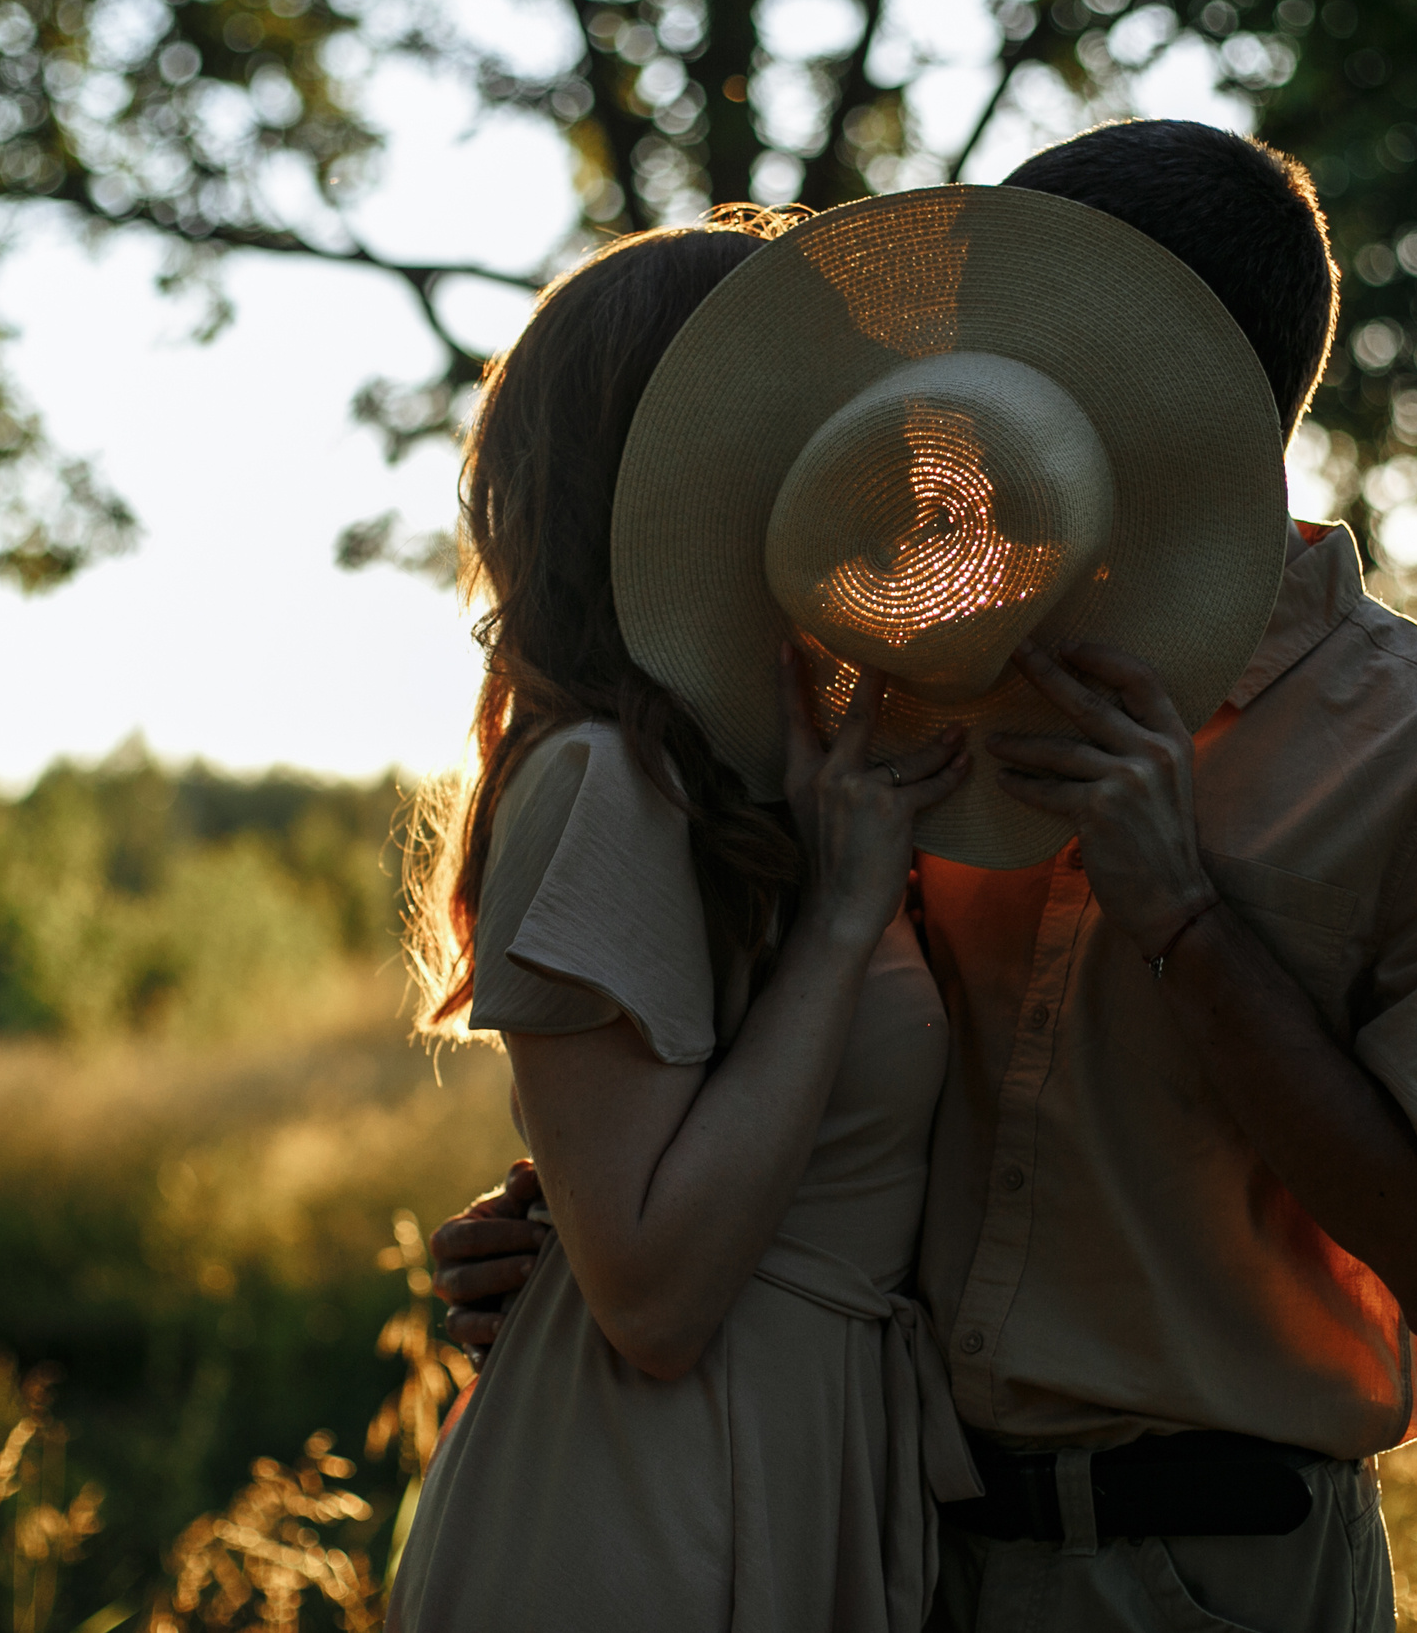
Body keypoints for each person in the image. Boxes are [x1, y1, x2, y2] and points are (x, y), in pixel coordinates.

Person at [432, 120, 1417, 1633]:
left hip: (1215, 1570)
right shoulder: (882, 690)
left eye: (1010, 313)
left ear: (1167, 366)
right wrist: (570, 1223)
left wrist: (1181, 915)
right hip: (892, 1536)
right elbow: (780, 1102)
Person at [385, 205, 982, 1633]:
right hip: (655, 1508)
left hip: (799, 1455)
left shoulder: (787, 766)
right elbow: (650, 1293)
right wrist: (844, 924)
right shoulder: (604, 778)